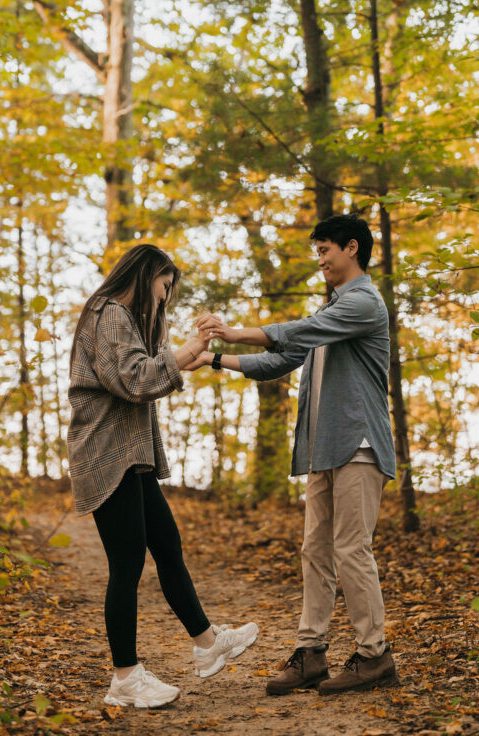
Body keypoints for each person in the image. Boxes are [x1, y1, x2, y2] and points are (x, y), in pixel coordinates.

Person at [192, 213, 398, 696]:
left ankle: (374, 657)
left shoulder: (363, 302)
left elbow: (293, 333)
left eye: (325, 249)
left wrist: (232, 331)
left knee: (351, 550)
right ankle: (312, 655)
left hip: (360, 444)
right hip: (323, 449)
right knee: (316, 552)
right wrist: (214, 358)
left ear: (352, 248)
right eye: (317, 250)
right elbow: (279, 359)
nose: (320, 259)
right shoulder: (328, 313)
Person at [67, 244, 258, 709]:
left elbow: (150, 369)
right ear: (145, 274)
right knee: (127, 563)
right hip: (106, 454)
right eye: (164, 285)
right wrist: (185, 351)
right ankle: (125, 678)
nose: (166, 296)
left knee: (167, 546)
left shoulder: (125, 318)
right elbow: (135, 380)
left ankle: (208, 643)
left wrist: (190, 353)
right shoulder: (108, 311)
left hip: (128, 455)